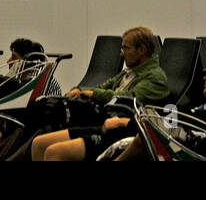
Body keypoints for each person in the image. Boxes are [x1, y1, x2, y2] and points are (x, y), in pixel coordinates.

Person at [32, 26, 167, 161]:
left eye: (126, 48)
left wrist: (93, 94)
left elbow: (128, 98)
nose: (122, 53)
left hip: (119, 130)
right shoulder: (128, 72)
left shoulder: (155, 77)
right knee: (39, 144)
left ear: (142, 50)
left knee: (53, 152)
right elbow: (103, 87)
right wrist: (81, 91)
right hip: (105, 121)